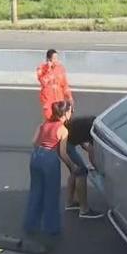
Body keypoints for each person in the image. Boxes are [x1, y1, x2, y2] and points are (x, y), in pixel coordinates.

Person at [23, 101, 80, 245]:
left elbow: (34, 141)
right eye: (70, 111)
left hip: (36, 157)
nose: (71, 114)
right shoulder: (63, 130)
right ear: (65, 113)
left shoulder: (43, 125)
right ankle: (51, 227)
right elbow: (62, 153)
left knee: (36, 191)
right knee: (51, 194)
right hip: (50, 159)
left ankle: (31, 224)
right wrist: (72, 166)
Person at [64, 115, 102, 219]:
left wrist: (85, 147)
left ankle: (69, 202)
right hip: (65, 145)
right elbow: (91, 153)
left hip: (61, 139)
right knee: (82, 171)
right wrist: (98, 169)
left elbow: (79, 135)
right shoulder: (96, 131)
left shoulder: (90, 122)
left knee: (74, 171)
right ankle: (84, 210)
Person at [37, 49, 73, 121]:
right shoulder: (41, 68)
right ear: (49, 59)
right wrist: (48, 69)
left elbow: (65, 84)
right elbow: (43, 82)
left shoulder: (61, 68)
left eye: (57, 58)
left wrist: (69, 97)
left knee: (61, 121)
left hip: (59, 101)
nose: (56, 60)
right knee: (50, 121)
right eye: (54, 58)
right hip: (48, 102)